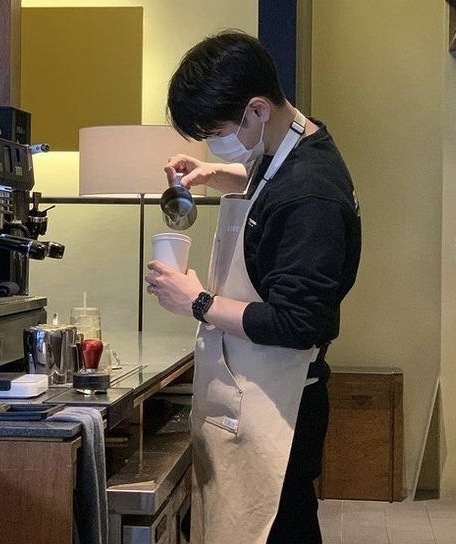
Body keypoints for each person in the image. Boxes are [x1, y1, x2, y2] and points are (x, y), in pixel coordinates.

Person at [144, 30, 361, 544]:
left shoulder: (313, 196)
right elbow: (266, 183)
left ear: (257, 110)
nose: (212, 141)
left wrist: (196, 301)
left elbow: (297, 322)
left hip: (283, 406)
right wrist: (216, 172)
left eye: (217, 131)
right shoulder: (295, 143)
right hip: (264, 393)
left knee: (281, 529)